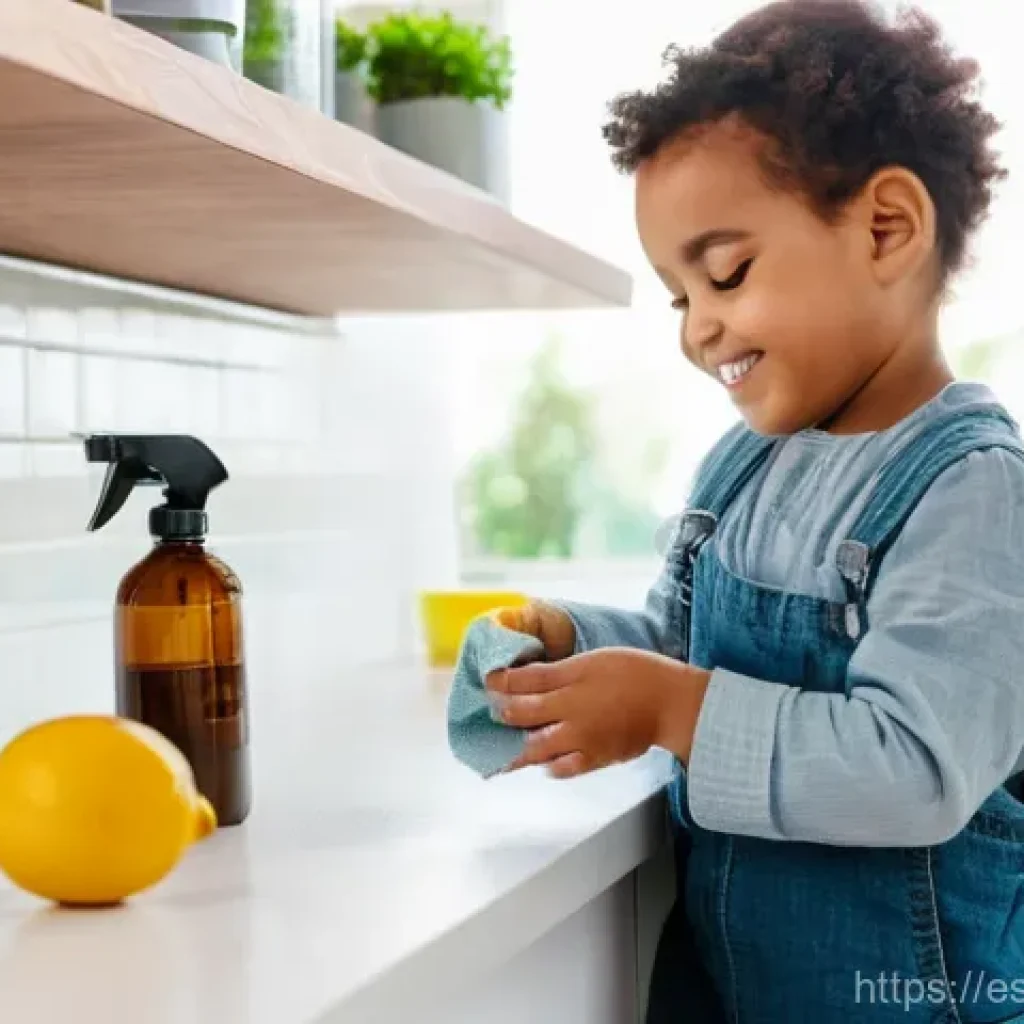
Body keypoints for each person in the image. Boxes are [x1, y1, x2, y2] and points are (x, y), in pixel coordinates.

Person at [484, 2, 1024, 1021]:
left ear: (885, 229)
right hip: (732, 988)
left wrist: (661, 706)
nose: (697, 329)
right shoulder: (742, 466)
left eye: (724, 272)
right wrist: (575, 646)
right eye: (678, 296)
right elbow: (685, 645)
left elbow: (914, 768)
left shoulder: (975, 490)